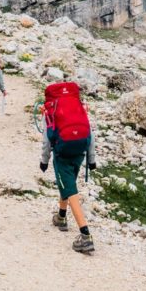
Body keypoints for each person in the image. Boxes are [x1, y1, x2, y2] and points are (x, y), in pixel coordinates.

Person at [39, 81, 96, 255]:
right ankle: (61, 217)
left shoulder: (50, 110)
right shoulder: (79, 107)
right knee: (67, 182)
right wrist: (92, 159)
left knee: (70, 188)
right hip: (80, 150)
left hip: (62, 152)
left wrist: (44, 160)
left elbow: (46, 140)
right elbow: (90, 133)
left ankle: (85, 235)